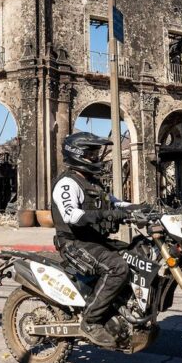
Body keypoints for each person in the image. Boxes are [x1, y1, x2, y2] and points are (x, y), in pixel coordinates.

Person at [51, 132, 133, 348]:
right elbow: (72, 215)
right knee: (118, 268)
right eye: (91, 154)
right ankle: (91, 320)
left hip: (93, 240)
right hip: (75, 243)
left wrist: (143, 209)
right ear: (78, 155)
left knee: (137, 255)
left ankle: (119, 310)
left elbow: (116, 203)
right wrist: (106, 215)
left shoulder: (93, 183)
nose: (96, 158)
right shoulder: (67, 183)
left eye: (96, 153)